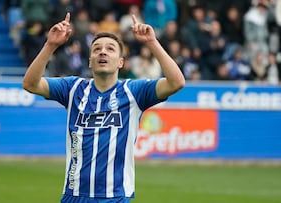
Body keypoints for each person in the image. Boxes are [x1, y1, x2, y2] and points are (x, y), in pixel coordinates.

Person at [22, 13, 185, 202]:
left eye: (110, 49)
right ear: (90, 61)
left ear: (121, 62)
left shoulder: (134, 92)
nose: (103, 52)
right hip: (74, 196)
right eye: (97, 49)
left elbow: (176, 82)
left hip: (114, 197)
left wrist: (152, 43)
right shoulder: (73, 88)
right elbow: (30, 84)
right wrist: (50, 45)